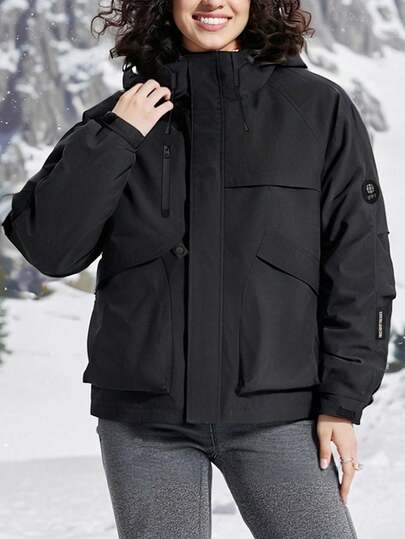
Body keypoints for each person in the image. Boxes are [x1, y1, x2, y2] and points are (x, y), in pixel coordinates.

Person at [2, 0, 397, 537]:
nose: (213, 3)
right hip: (145, 420)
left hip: (281, 412)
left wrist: (343, 403)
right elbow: (50, 249)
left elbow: (359, 262)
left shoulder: (317, 108)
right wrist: (118, 136)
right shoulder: (123, 116)